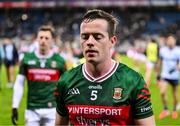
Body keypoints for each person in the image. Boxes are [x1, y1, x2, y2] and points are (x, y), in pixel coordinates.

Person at [54, 9, 155, 125]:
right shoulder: (66, 81)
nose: (89, 42)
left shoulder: (133, 82)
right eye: (85, 36)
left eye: (97, 37)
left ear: (112, 41)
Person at [11, 25, 66, 126]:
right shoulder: (27, 59)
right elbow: (19, 83)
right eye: (40, 37)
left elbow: (65, 86)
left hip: (52, 109)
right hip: (32, 109)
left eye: (46, 38)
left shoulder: (60, 61)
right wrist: (15, 106)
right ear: (37, 39)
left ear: (52, 40)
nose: (43, 41)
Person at [157, 34, 180, 119]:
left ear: (175, 41)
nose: (170, 41)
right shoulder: (163, 50)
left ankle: (174, 110)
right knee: (162, 92)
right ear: (167, 41)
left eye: (172, 40)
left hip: (174, 76)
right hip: (165, 75)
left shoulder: (178, 50)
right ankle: (166, 109)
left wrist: (178, 66)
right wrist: (158, 74)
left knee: (174, 94)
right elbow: (160, 61)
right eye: (169, 40)